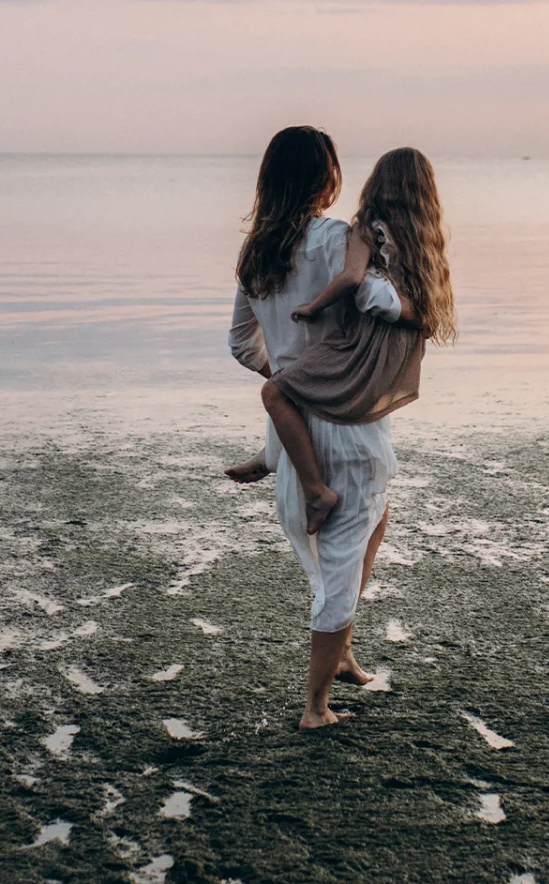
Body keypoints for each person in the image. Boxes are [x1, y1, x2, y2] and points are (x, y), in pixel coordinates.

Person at [224, 131, 453, 729]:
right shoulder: (338, 240)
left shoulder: (256, 252)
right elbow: (387, 302)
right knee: (340, 568)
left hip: (292, 431)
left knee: (374, 522)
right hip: (345, 425)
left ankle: (343, 652)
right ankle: (315, 707)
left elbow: (241, 344)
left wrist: (288, 376)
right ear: (327, 178)